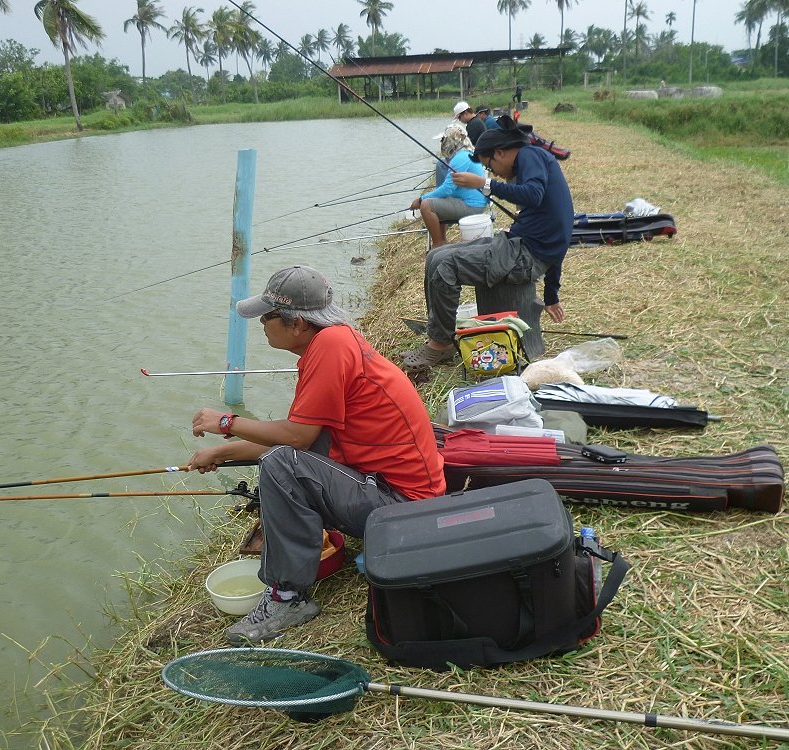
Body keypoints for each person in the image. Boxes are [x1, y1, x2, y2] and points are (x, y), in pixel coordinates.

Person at [189, 266, 446, 644]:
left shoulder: (330, 349)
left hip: (404, 510)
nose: (262, 323)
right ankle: (293, 572)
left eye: (268, 316)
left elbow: (294, 439)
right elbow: (302, 436)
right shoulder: (335, 342)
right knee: (287, 457)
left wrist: (227, 421)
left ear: (297, 325)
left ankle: (286, 598)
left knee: (280, 464)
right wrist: (222, 452)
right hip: (398, 495)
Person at [401, 118, 574, 372]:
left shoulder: (530, 157)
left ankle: (440, 345)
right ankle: (438, 337)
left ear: (500, 153)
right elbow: (556, 232)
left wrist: (485, 184)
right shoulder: (534, 159)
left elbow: (533, 196)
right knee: (435, 257)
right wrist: (551, 295)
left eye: (489, 166)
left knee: (445, 266)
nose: (493, 172)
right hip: (517, 246)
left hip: (524, 257)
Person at [410, 122, 487, 248]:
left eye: (443, 140)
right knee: (435, 201)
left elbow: (447, 189)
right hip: (471, 203)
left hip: (472, 206)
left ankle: (437, 245)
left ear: (451, 140)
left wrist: (420, 199)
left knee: (426, 206)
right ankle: (442, 242)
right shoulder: (465, 153)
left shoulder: (461, 157)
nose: (442, 144)